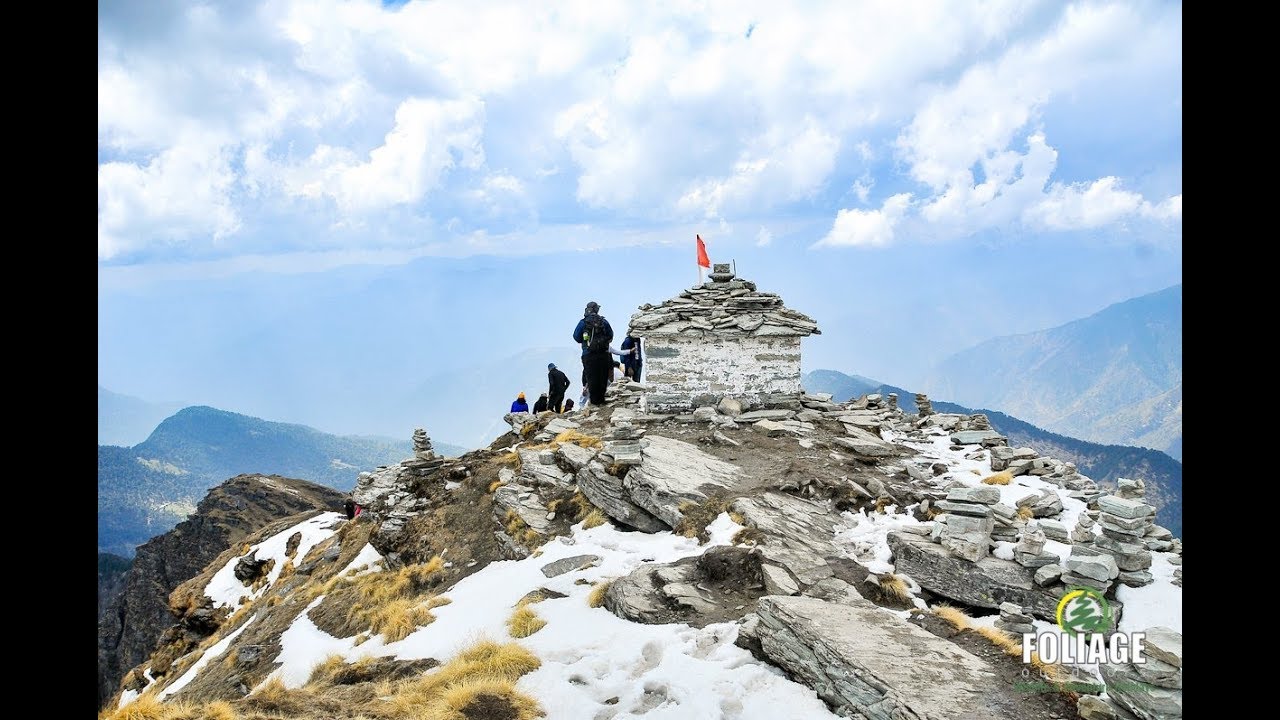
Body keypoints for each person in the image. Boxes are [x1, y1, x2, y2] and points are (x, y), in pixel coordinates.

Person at [573, 301, 614, 406]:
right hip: (603, 354)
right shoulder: (603, 321)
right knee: (602, 377)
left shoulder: (583, 322)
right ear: (596, 310)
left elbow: (576, 337)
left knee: (591, 377)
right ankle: (601, 401)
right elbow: (610, 335)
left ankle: (594, 402)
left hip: (588, 354)